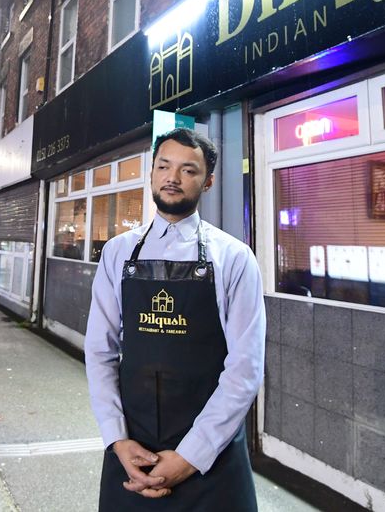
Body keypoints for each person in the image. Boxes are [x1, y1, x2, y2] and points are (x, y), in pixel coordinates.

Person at [84, 128, 266, 510]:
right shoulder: (117, 253)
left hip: (211, 458)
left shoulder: (234, 258)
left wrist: (191, 456)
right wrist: (116, 438)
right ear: (151, 173)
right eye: (164, 166)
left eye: (188, 170)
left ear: (208, 181)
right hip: (132, 452)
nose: (173, 177)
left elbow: (245, 368)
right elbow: (100, 352)